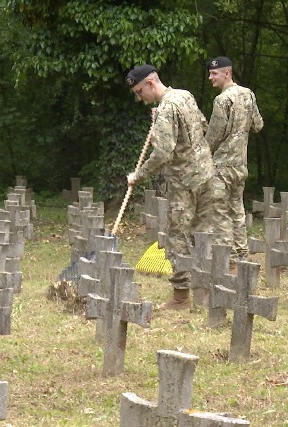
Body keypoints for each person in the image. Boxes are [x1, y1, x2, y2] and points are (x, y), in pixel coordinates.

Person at [125, 64, 215, 310]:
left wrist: (138, 176)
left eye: (139, 92)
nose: (139, 97)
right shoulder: (184, 96)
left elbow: (163, 153)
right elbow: (203, 127)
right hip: (206, 175)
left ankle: (181, 297)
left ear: (151, 83)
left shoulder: (166, 109)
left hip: (184, 182)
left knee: (177, 237)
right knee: (203, 233)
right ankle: (206, 293)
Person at [205, 56, 263, 271]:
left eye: (214, 74)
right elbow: (258, 124)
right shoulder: (248, 94)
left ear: (227, 73)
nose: (210, 77)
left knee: (219, 213)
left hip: (222, 166)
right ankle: (242, 255)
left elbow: (213, 136)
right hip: (240, 165)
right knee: (237, 211)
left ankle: (225, 259)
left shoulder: (222, 100)